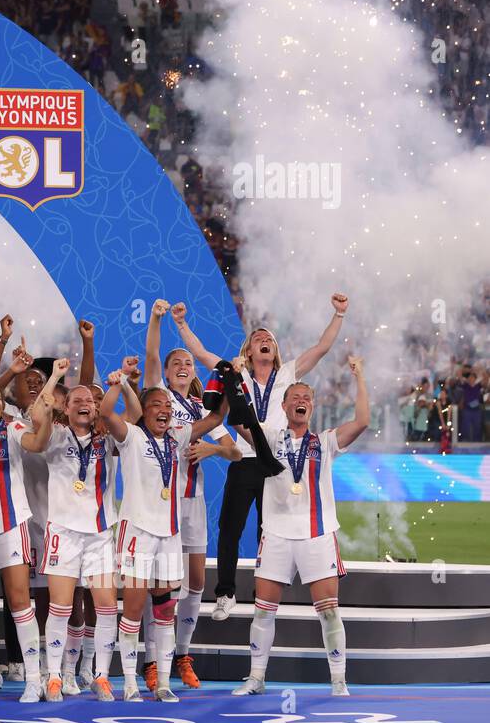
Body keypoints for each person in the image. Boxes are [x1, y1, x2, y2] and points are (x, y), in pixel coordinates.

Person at [171, 294, 349, 619]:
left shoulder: (289, 373)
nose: (265, 341)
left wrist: (338, 314)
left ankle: (261, 597)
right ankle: (225, 593)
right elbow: (199, 352)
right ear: (249, 351)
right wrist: (181, 323)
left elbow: (321, 348)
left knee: (268, 532)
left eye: (270, 339)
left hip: (277, 466)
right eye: (258, 339)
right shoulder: (235, 373)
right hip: (244, 460)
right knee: (230, 528)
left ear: (275, 350)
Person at [230, 357, 369, 697]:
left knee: (329, 613)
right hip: (276, 534)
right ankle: (256, 678)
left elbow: (363, 421)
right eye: (295, 397)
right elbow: (239, 420)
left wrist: (359, 376)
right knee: (263, 612)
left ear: (313, 405)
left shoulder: (326, 441)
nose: (301, 400)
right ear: (283, 406)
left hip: (317, 536)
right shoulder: (269, 437)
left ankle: (338, 680)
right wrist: (235, 379)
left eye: (306, 396)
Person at [100, 370, 228, 702]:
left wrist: (230, 383)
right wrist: (119, 384)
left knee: (164, 611)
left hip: (169, 534)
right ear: (144, 411)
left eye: (167, 405)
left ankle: (164, 683)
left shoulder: (177, 436)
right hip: (137, 532)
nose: (164, 409)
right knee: (133, 608)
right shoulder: (130, 435)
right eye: (156, 404)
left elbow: (215, 417)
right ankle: (129, 682)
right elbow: (104, 413)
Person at [144, 300, 241, 690]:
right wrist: (156, 319)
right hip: (158, 503)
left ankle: (182, 653)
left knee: (196, 581)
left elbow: (234, 450)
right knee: (161, 583)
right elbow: (152, 353)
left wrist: (212, 449)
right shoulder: (158, 401)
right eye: (176, 363)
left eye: (188, 363)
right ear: (167, 373)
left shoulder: (203, 407)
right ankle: (153, 660)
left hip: (192, 503)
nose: (184, 367)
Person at [0, 365, 66, 702]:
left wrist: (51, 407)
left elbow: (38, 443)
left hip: (12, 524)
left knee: (19, 601)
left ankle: (34, 679)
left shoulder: (12, 428)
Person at [36, 373, 124, 703]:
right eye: (78, 401)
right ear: (67, 409)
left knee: (105, 607)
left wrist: (118, 385)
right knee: (59, 608)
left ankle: (101, 675)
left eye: (90, 401)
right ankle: (55, 675)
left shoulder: (108, 438)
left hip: (100, 534)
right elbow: (38, 430)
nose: (85, 405)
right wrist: (55, 379)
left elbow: (125, 416)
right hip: (63, 533)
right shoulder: (57, 435)